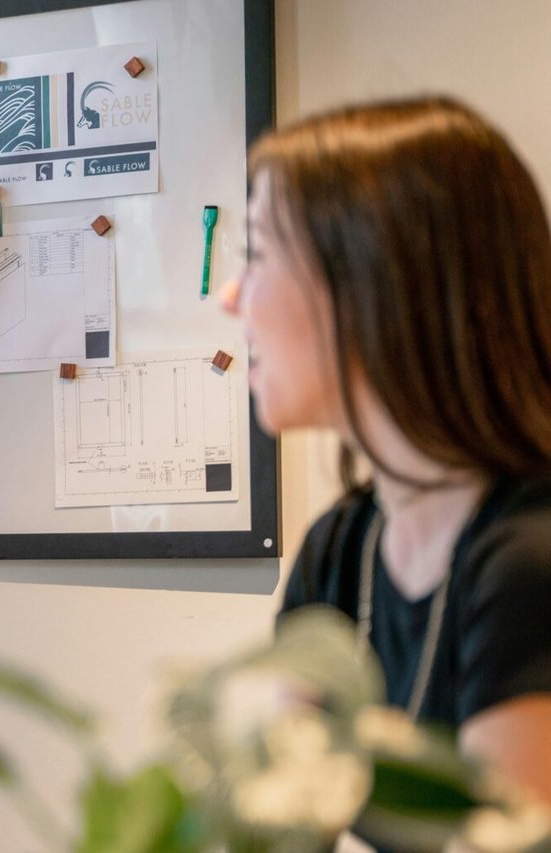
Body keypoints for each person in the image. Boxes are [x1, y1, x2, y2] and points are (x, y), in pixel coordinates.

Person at [222, 97, 551, 808]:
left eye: (255, 253)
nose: (230, 296)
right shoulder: (339, 551)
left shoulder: (530, 563)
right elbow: (281, 818)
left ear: (372, 277)